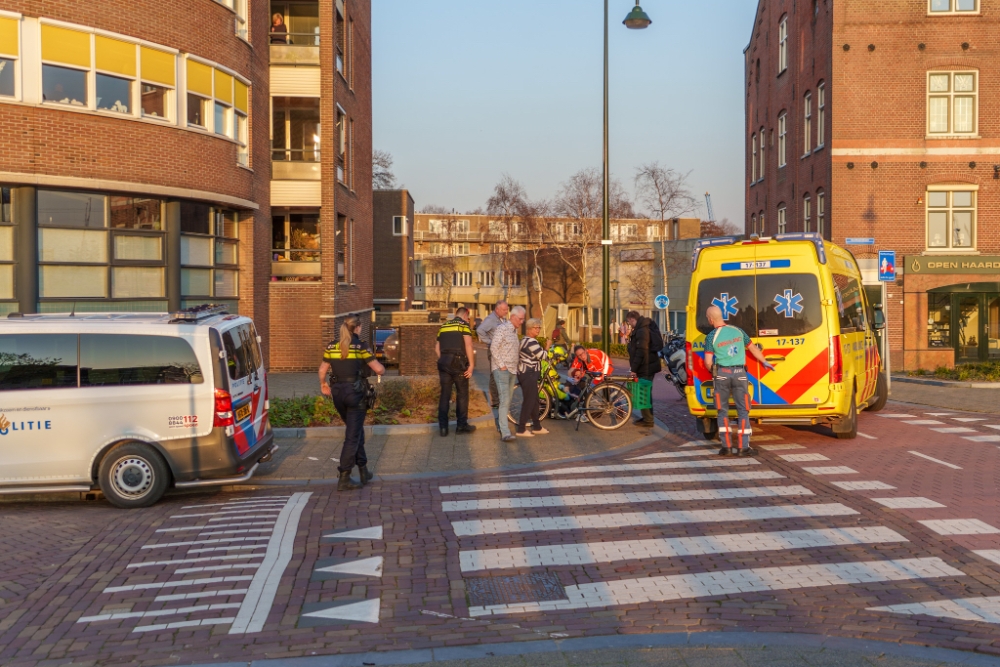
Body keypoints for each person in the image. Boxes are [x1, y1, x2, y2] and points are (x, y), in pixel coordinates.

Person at [319, 315, 385, 491]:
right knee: (352, 436)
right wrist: (382, 368)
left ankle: (363, 470)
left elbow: (322, 369)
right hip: (355, 392)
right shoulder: (361, 346)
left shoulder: (332, 346)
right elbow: (378, 369)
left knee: (354, 430)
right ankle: (344, 476)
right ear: (357, 328)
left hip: (338, 393)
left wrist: (323, 384)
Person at [703, 305, 774, 457]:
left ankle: (727, 447)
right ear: (721, 316)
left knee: (722, 411)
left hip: (722, 374)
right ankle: (743, 447)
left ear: (710, 319)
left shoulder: (711, 336)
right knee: (743, 411)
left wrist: (713, 371)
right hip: (740, 374)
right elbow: (753, 349)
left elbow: (708, 362)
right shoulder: (738, 331)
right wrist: (765, 362)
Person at [435, 307, 477, 437]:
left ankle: (443, 428)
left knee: (445, 395)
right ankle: (461, 426)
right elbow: (469, 345)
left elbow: (437, 348)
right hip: (458, 364)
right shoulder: (463, 325)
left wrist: (443, 359)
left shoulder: (444, 326)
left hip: (443, 363)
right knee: (462, 394)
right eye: (468, 317)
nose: (468, 320)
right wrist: (471, 365)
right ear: (464, 315)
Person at [489, 305, 523, 442]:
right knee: (504, 399)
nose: (522, 322)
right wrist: (502, 365)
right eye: (520, 319)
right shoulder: (502, 328)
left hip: (512, 370)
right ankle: (505, 432)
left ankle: (500, 423)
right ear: (513, 317)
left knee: (507, 399)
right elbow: (494, 347)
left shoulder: (514, 332)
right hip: (502, 370)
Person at [626, 310, 662, 427]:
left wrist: (634, 369)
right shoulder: (643, 328)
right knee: (646, 392)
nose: (629, 324)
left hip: (646, 367)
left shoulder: (642, 330)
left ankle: (648, 420)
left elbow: (641, 351)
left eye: (629, 322)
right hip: (647, 365)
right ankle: (647, 417)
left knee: (643, 393)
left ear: (632, 319)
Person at [516, 318, 549, 437]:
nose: (538, 330)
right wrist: (547, 347)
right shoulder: (531, 342)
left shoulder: (524, 340)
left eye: (539, 327)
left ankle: (537, 426)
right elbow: (542, 356)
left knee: (534, 401)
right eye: (536, 327)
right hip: (528, 373)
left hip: (525, 373)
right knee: (529, 401)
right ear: (529, 329)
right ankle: (521, 429)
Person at [476, 300, 509, 410]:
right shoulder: (491, 319)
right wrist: (490, 342)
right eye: (504, 310)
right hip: (495, 351)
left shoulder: (502, 319)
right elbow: (480, 330)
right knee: (495, 375)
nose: (506, 311)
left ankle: (500, 398)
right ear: (497, 309)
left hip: (503, 351)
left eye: (507, 309)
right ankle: (495, 401)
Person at [567, 345, 613, 422]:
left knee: (603, 382)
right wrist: (576, 373)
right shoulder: (577, 358)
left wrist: (593, 387)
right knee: (582, 382)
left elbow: (599, 373)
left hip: (604, 363)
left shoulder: (593, 356)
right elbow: (572, 370)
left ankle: (614, 405)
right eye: (579, 355)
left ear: (585, 351)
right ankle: (586, 405)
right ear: (577, 356)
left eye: (583, 353)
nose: (582, 356)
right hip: (591, 366)